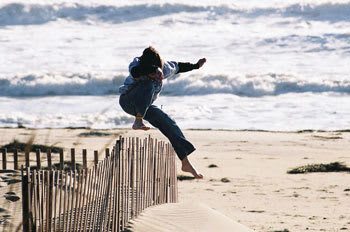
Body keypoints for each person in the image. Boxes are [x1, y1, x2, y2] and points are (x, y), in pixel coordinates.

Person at [119, 46, 206, 178]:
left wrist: (195, 66)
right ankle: (138, 121)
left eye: (158, 74)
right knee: (147, 85)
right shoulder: (136, 64)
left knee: (169, 123)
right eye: (153, 74)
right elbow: (136, 72)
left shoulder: (164, 68)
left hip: (144, 106)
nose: (158, 77)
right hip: (128, 101)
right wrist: (153, 70)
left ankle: (186, 163)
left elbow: (178, 66)